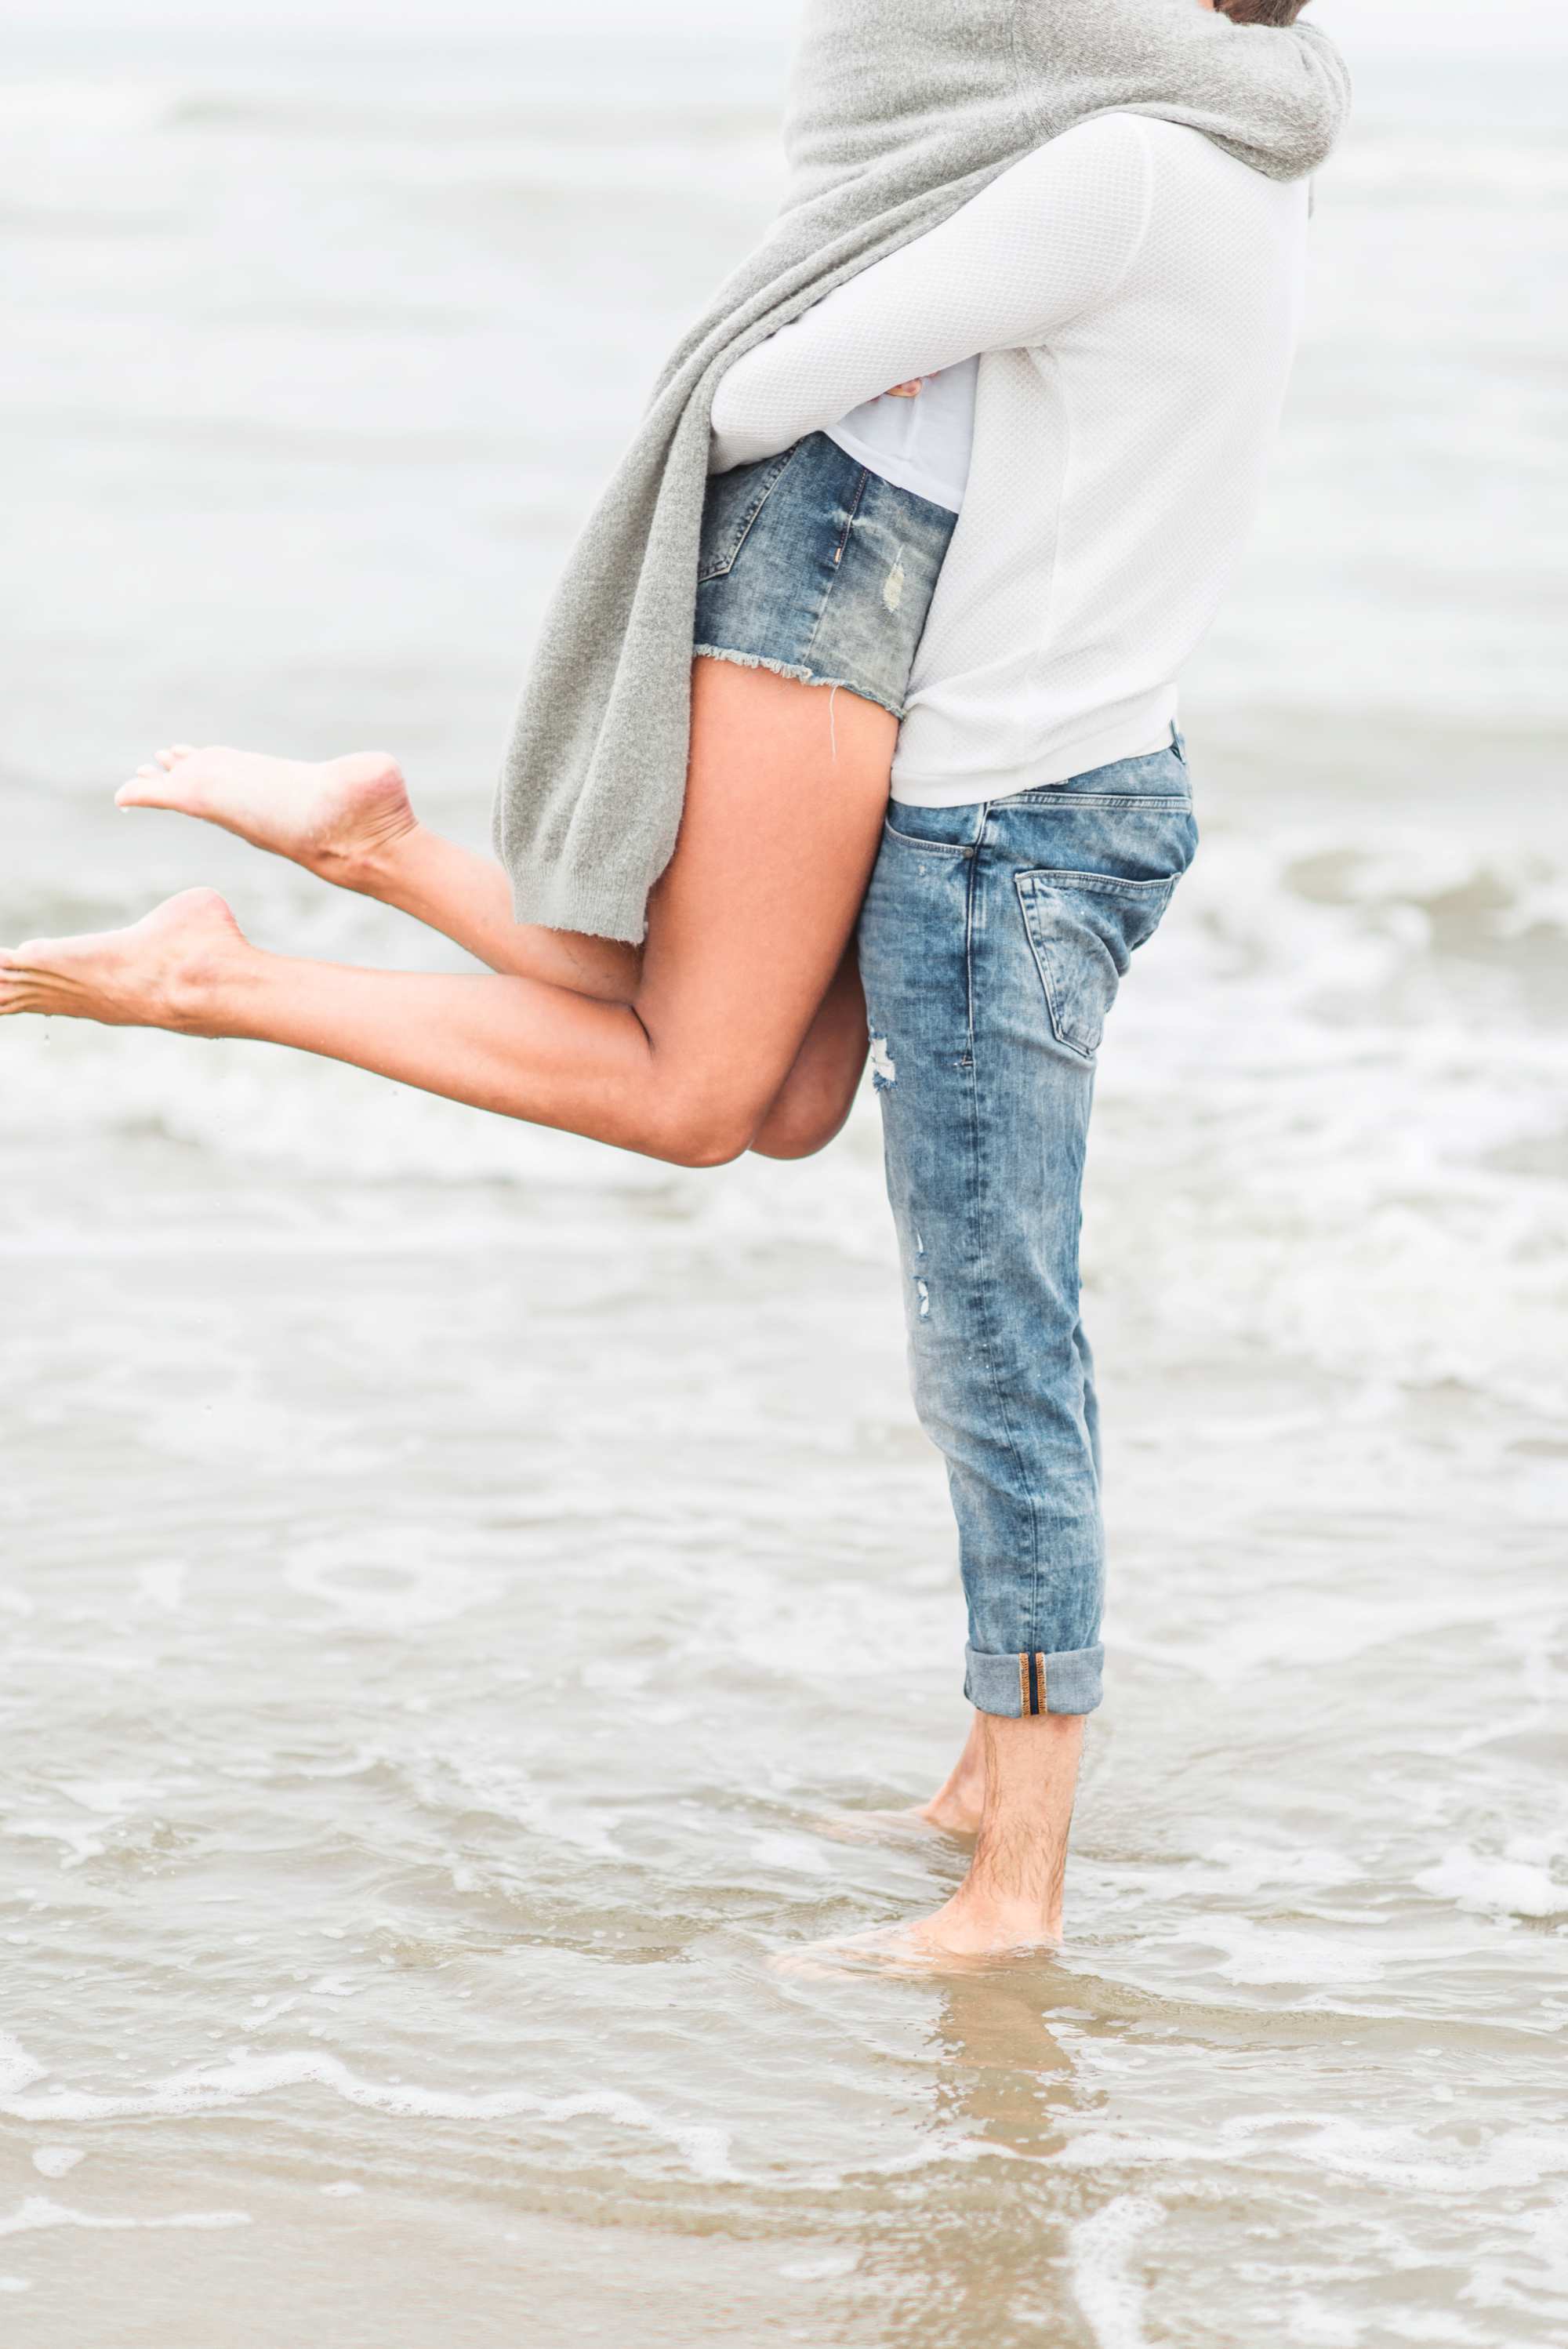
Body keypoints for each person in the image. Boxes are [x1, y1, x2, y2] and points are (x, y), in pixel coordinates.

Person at [1, 0, 1337, 1961]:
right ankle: (989, 1796)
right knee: (755, 1101)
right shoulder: (1247, 163)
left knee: (975, 1312)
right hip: (1067, 787)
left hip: (1001, 823)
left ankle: (1013, 1882)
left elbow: (760, 385)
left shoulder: (1115, 168)